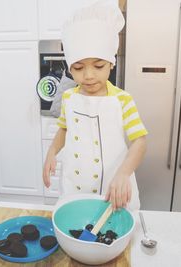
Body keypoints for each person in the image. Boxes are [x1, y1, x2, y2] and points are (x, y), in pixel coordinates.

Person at [42, 0, 147, 211]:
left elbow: (140, 142)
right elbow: (64, 128)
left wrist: (124, 173)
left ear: (111, 63)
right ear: (71, 68)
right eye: (79, 68)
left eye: (98, 66)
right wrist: (52, 151)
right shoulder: (69, 97)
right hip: (75, 188)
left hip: (112, 188)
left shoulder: (122, 99)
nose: (89, 76)